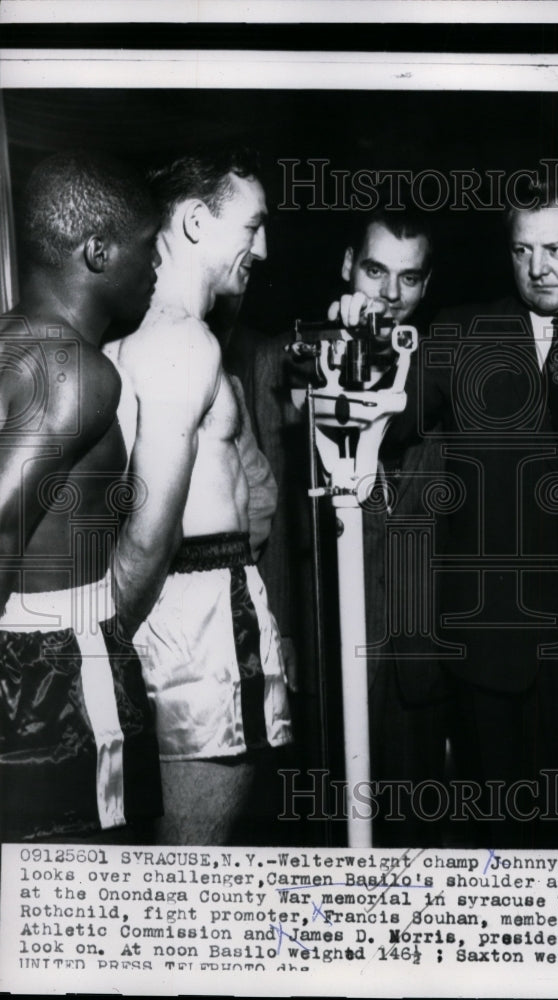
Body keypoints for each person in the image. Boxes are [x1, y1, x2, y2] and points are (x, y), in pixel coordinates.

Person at [377, 176, 558, 848]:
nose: (537, 268)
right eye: (522, 251)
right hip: (490, 653)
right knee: (503, 848)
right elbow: (385, 420)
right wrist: (362, 335)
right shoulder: (463, 334)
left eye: (556, 248)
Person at [106, 149, 292, 845]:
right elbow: (151, 536)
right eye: (251, 226)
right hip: (202, 632)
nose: (262, 248)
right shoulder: (184, 343)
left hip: (186, 621)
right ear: (192, 223)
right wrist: (94, 649)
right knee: (191, 865)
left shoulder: (135, 341)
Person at [0, 151, 163, 841]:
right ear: (98, 251)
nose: (157, 270)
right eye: (148, 251)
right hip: (51, 679)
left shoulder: (14, 341)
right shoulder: (74, 368)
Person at [327, 210, 451, 845]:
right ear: (349, 265)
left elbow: (407, 419)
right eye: (376, 272)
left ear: (425, 288)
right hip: (334, 659)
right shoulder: (302, 356)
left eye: (408, 279)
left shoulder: (444, 366)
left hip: (420, 662)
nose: (390, 295)